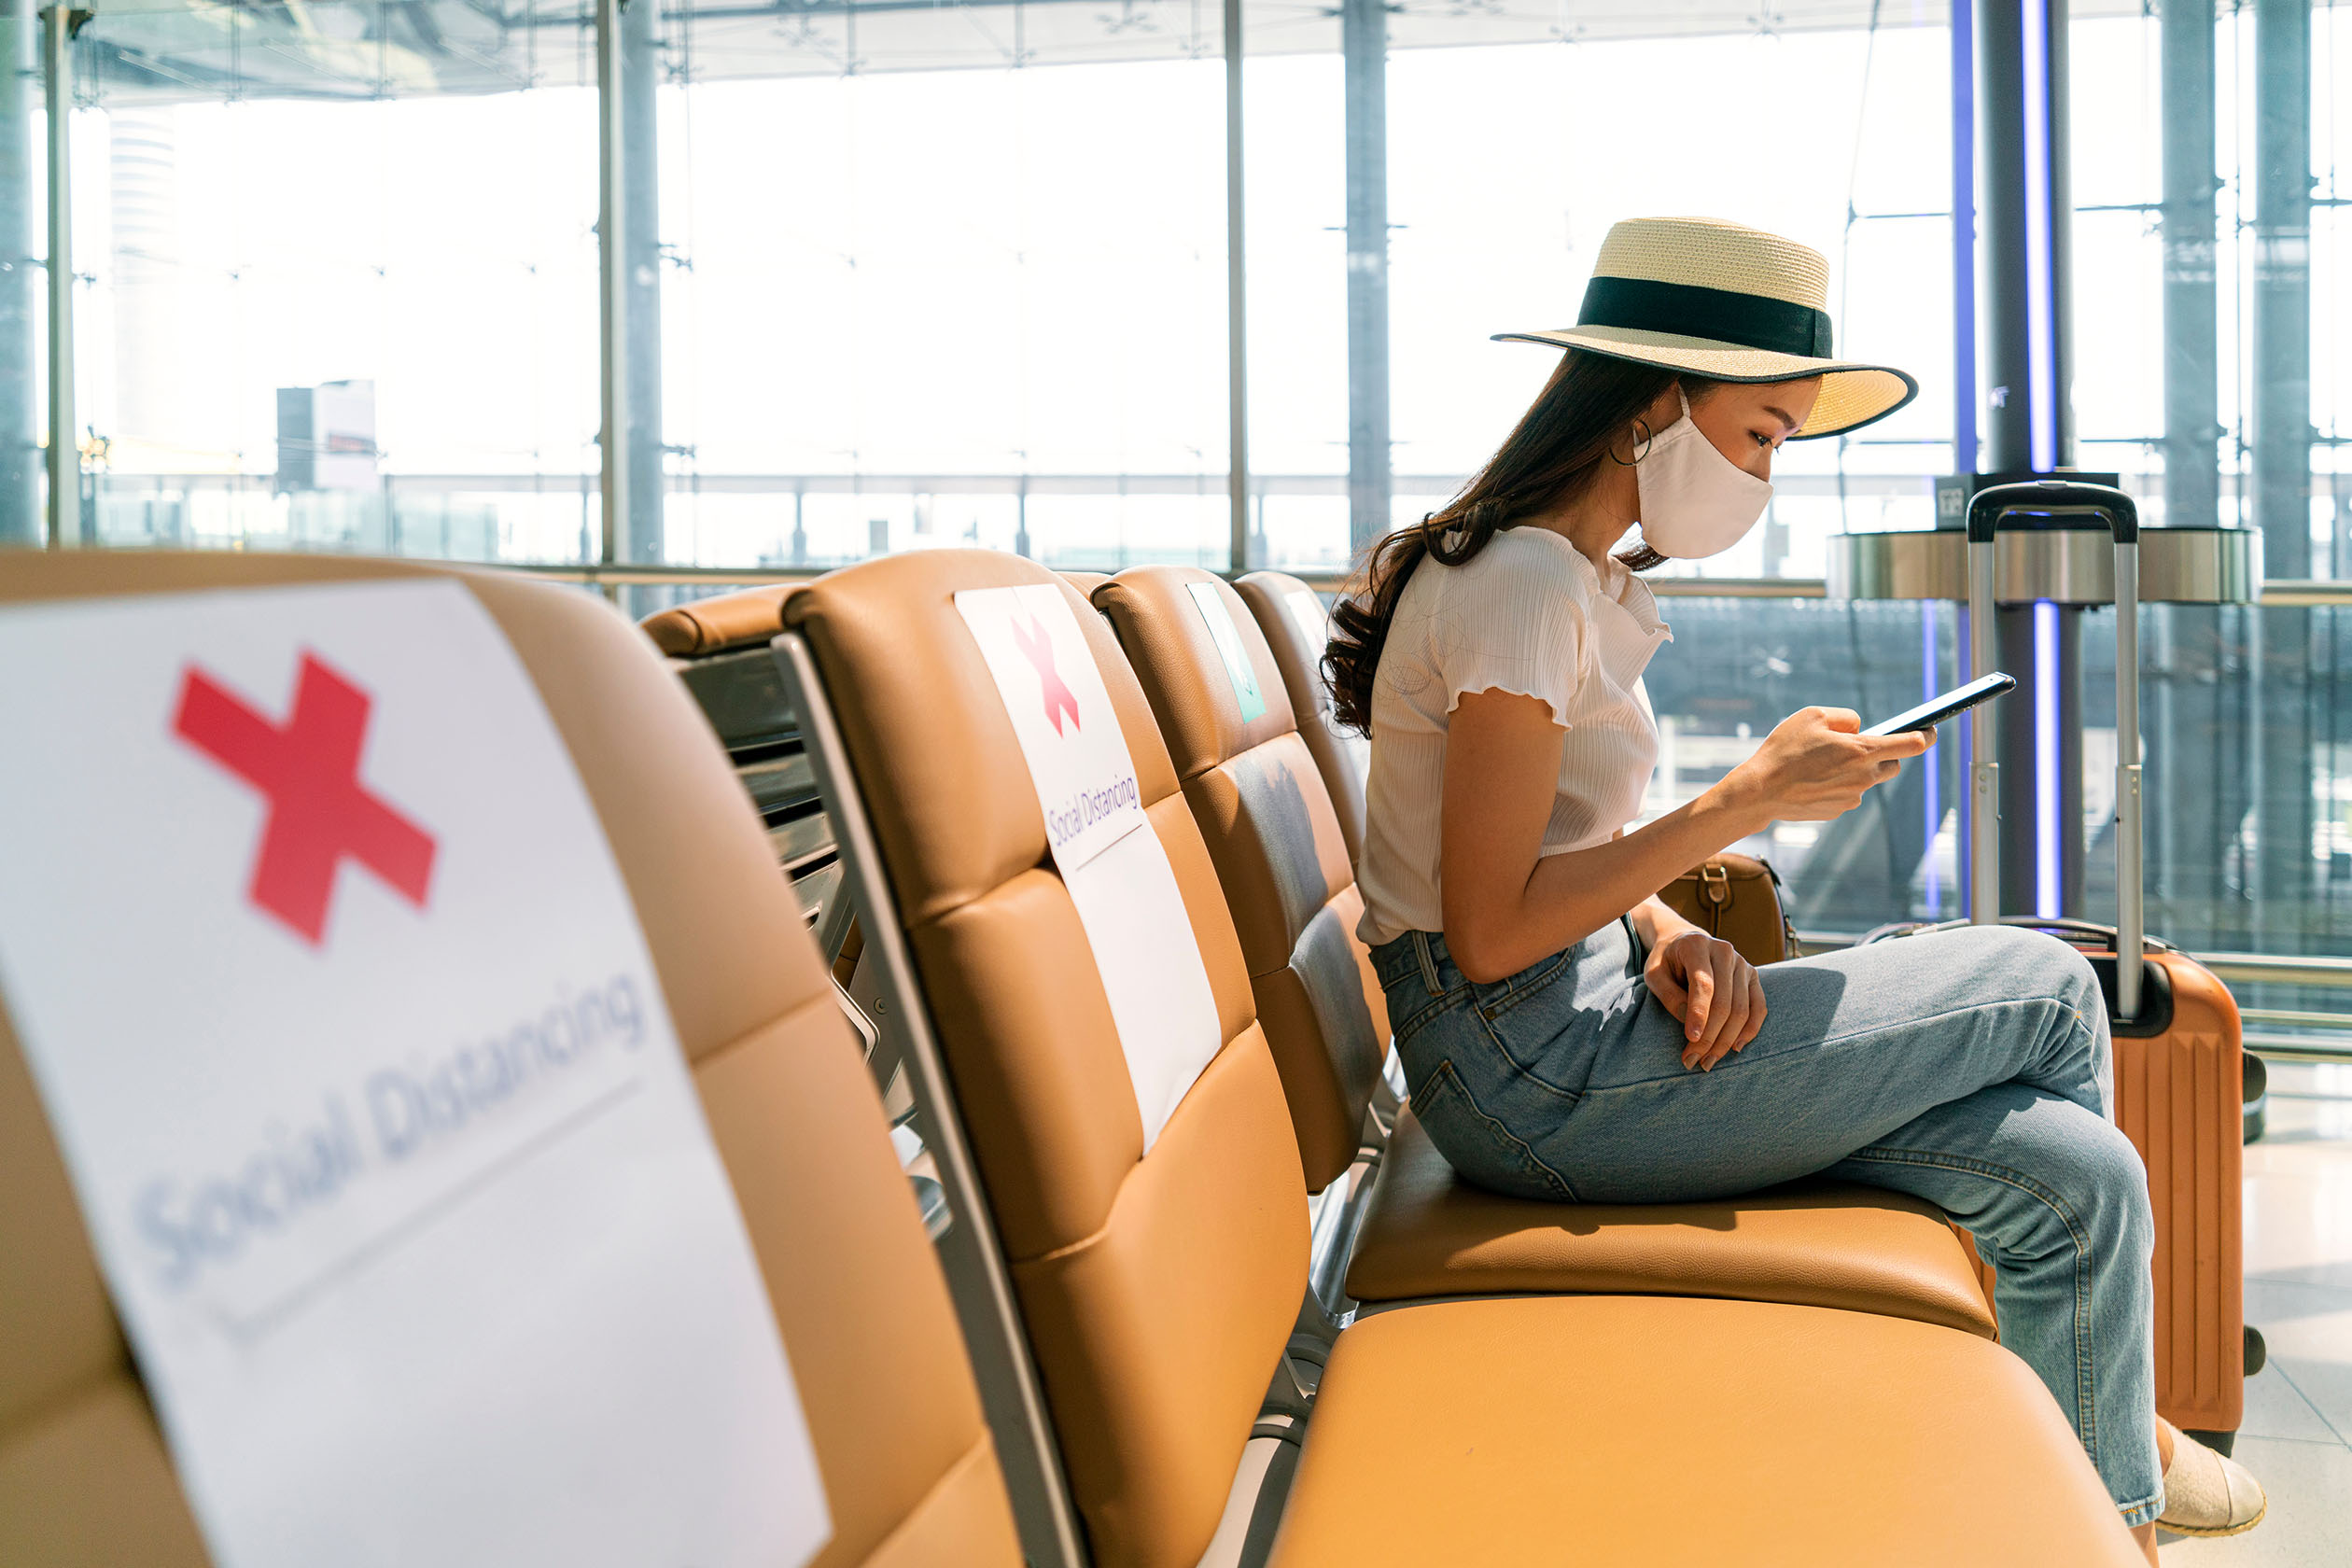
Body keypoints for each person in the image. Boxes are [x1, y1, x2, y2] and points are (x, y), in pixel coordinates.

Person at [1325, 217, 2264, 1559]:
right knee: (2055, 982)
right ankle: (2107, 1510)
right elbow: (1483, 937)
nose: (1767, 471)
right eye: (1761, 433)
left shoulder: (1560, 575)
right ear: (1657, 401)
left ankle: (2096, 1457)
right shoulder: (1526, 586)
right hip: (1529, 1074)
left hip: (1567, 1029)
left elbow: (1536, 858)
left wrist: (1658, 929)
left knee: (2078, 1178)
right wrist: (1743, 800)